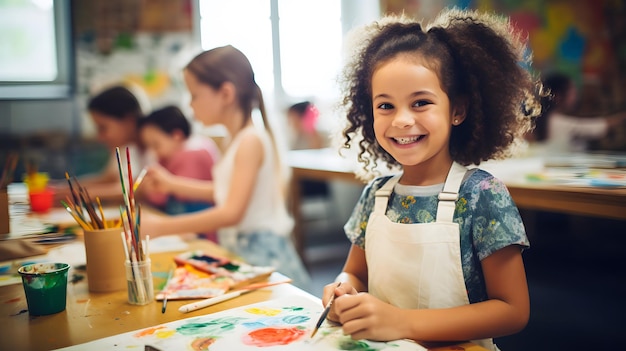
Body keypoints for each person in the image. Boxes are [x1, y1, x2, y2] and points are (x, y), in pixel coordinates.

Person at [322, 8, 541, 350]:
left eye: (421, 102)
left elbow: (513, 311)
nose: (402, 120)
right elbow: (355, 274)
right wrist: (342, 289)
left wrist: (403, 322)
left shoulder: (482, 194)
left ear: (458, 110)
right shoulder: (376, 195)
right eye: (385, 106)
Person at [140, 45, 310, 290]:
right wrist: (172, 183)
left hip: (262, 254)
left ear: (226, 94)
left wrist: (161, 227)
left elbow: (231, 213)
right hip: (245, 250)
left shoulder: (250, 141)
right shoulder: (237, 139)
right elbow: (225, 192)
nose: (190, 106)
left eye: (195, 95)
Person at [137, 105, 221, 241]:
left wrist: (151, 187)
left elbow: (161, 196)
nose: (153, 152)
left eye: (156, 145)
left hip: (201, 233)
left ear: (177, 136)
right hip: (188, 228)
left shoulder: (192, 153)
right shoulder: (177, 153)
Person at [52, 85, 148, 202]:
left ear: (129, 120)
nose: (99, 137)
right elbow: (109, 178)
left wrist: (84, 194)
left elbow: (137, 189)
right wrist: (63, 187)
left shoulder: (153, 148)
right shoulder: (125, 148)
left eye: (103, 128)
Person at [533, 72, 626, 153]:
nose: (576, 96)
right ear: (557, 96)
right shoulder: (557, 121)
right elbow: (595, 126)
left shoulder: (547, 118)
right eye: (572, 92)